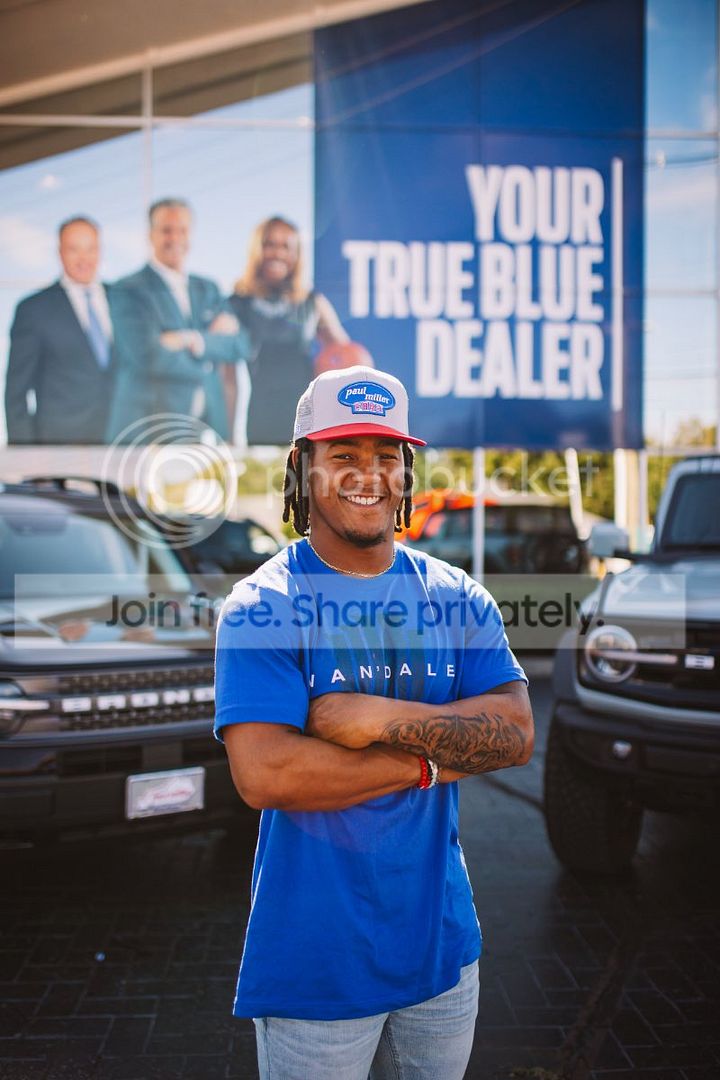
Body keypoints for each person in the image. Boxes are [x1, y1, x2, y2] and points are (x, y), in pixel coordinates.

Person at [214, 364, 534, 1079]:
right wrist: (432, 759)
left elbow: (514, 733)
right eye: (345, 454)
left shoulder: (457, 597)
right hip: (316, 968)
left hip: (443, 954)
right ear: (302, 467)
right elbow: (267, 774)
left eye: (387, 454)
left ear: (406, 472)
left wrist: (376, 717)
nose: (370, 474)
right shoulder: (263, 606)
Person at [106, 198, 247, 443]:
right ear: (151, 235)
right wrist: (210, 352)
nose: (175, 238)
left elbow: (240, 345)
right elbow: (147, 354)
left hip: (206, 432)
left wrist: (191, 339)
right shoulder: (128, 289)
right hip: (146, 432)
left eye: (182, 230)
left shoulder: (208, 289)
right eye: (166, 230)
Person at [225, 215, 348, 445]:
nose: (277, 253)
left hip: (308, 420)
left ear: (296, 254)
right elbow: (228, 379)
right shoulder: (237, 303)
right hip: (260, 419)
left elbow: (347, 355)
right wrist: (230, 438)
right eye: (270, 244)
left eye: (286, 246)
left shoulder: (312, 302)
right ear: (257, 249)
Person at [5, 216, 116, 444]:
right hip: (59, 446)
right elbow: (16, 391)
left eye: (91, 249)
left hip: (121, 442)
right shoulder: (34, 309)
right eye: (74, 249)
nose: (84, 258)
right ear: (60, 252)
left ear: (100, 251)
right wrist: (25, 454)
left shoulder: (124, 301)